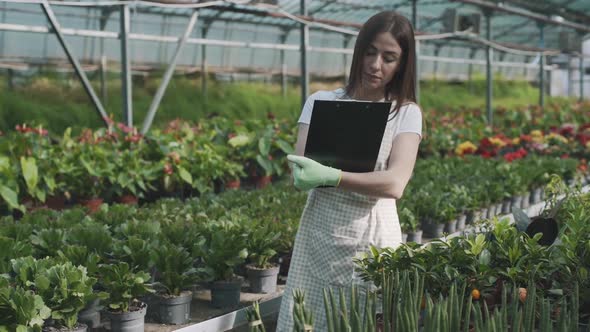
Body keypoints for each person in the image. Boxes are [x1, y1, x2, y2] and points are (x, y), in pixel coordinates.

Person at [276, 11, 423, 331]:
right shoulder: (320, 101)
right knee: (307, 321)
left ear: (403, 63)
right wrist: (303, 175)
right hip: (319, 237)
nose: (376, 65)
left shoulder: (405, 113)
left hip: (373, 240)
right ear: (358, 51)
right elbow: (299, 170)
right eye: (370, 52)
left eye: (389, 57)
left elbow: (396, 182)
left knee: (364, 320)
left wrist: (333, 176)